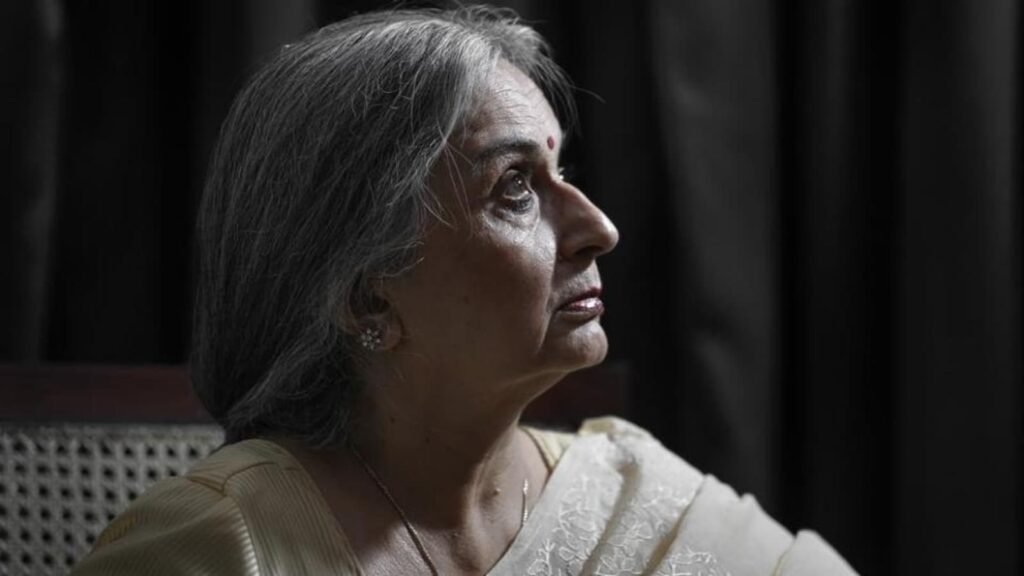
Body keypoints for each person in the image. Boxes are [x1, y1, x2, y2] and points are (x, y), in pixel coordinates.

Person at [72, 6, 856, 575]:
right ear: (368, 298)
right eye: (515, 187)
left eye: (562, 172)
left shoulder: (641, 501)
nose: (598, 227)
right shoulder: (222, 545)